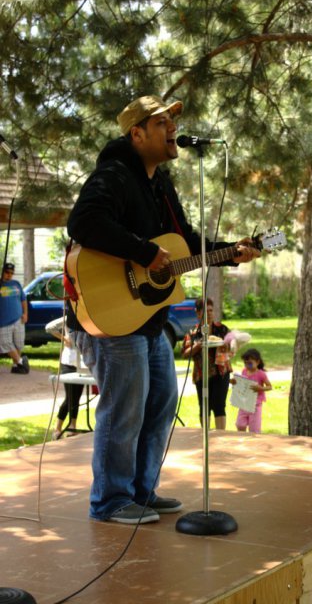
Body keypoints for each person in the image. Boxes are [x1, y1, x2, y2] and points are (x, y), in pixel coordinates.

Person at [66, 94, 260, 525]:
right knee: (125, 407)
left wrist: (231, 252)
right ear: (137, 133)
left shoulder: (161, 184)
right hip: (110, 312)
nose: (173, 128)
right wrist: (142, 251)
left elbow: (184, 244)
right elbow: (84, 223)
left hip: (146, 315)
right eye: (162, 122)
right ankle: (111, 501)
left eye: (173, 120)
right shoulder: (113, 175)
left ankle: (140, 490)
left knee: (161, 400)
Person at [182, 297, 232, 430]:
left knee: (219, 405)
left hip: (221, 372)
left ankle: (220, 436)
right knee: (204, 406)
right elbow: (185, 353)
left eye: (211, 310)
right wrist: (199, 345)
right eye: (205, 311)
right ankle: (206, 436)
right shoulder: (193, 332)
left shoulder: (221, 329)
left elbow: (232, 347)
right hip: (201, 374)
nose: (209, 313)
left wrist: (228, 346)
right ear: (198, 313)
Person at [45, 316, 84, 440]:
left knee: (77, 397)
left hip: (81, 363)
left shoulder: (86, 317)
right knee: (69, 398)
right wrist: (64, 339)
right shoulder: (68, 318)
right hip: (68, 362)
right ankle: (57, 429)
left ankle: (72, 426)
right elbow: (49, 327)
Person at [0, 262, 30, 374]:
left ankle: (16, 365)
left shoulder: (16, 284)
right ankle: (21, 361)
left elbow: (23, 300)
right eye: (7, 272)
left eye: (11, 273)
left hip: (19, 318)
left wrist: (25, 313)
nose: (9, 275)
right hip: (3, 321)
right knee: (4, 343)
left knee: (19, 343)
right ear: (2, 272)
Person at [234, 348, 272, 434]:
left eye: (250, 364)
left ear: (257, 362)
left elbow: (269, 387)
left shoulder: (261, 374)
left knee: (254, 429)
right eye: (245, 363)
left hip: (255, 405)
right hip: (244, 404)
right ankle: (242, 440)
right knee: (240, 424)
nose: (247, 366)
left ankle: (254, 443)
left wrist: (260, 388)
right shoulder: (244, 371)